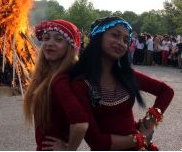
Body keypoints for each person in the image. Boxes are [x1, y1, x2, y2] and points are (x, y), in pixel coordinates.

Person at [48, 16, 174, 150]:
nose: (121, 43)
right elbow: (98, 141)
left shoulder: (127, 75)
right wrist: (140, 139)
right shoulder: (81, 83)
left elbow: (166, 91)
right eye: (115, 35)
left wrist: (149, 122)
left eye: (126, 40)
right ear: (98, 37)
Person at [24, 19, 89, 150]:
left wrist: (68, 149)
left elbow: (81, 124)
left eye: (58, 40)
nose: (49, 44)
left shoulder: (60, 81)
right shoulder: (49, 76)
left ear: (70, 47)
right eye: (46, 38)